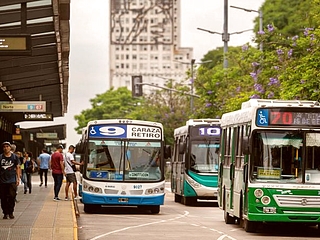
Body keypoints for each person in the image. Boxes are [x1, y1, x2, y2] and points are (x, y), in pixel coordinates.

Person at [0, 142, 20, 219]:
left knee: (12, 196)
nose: (6, 148)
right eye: (4, 147)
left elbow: (18, 167)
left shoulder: (14, 157)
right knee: (3, 197)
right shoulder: (0, 157)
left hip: (12, 180)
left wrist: (18, 178)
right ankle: (5, 212)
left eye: (7, 146)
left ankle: (11, 211)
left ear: (10, 148)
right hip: (2, 181)